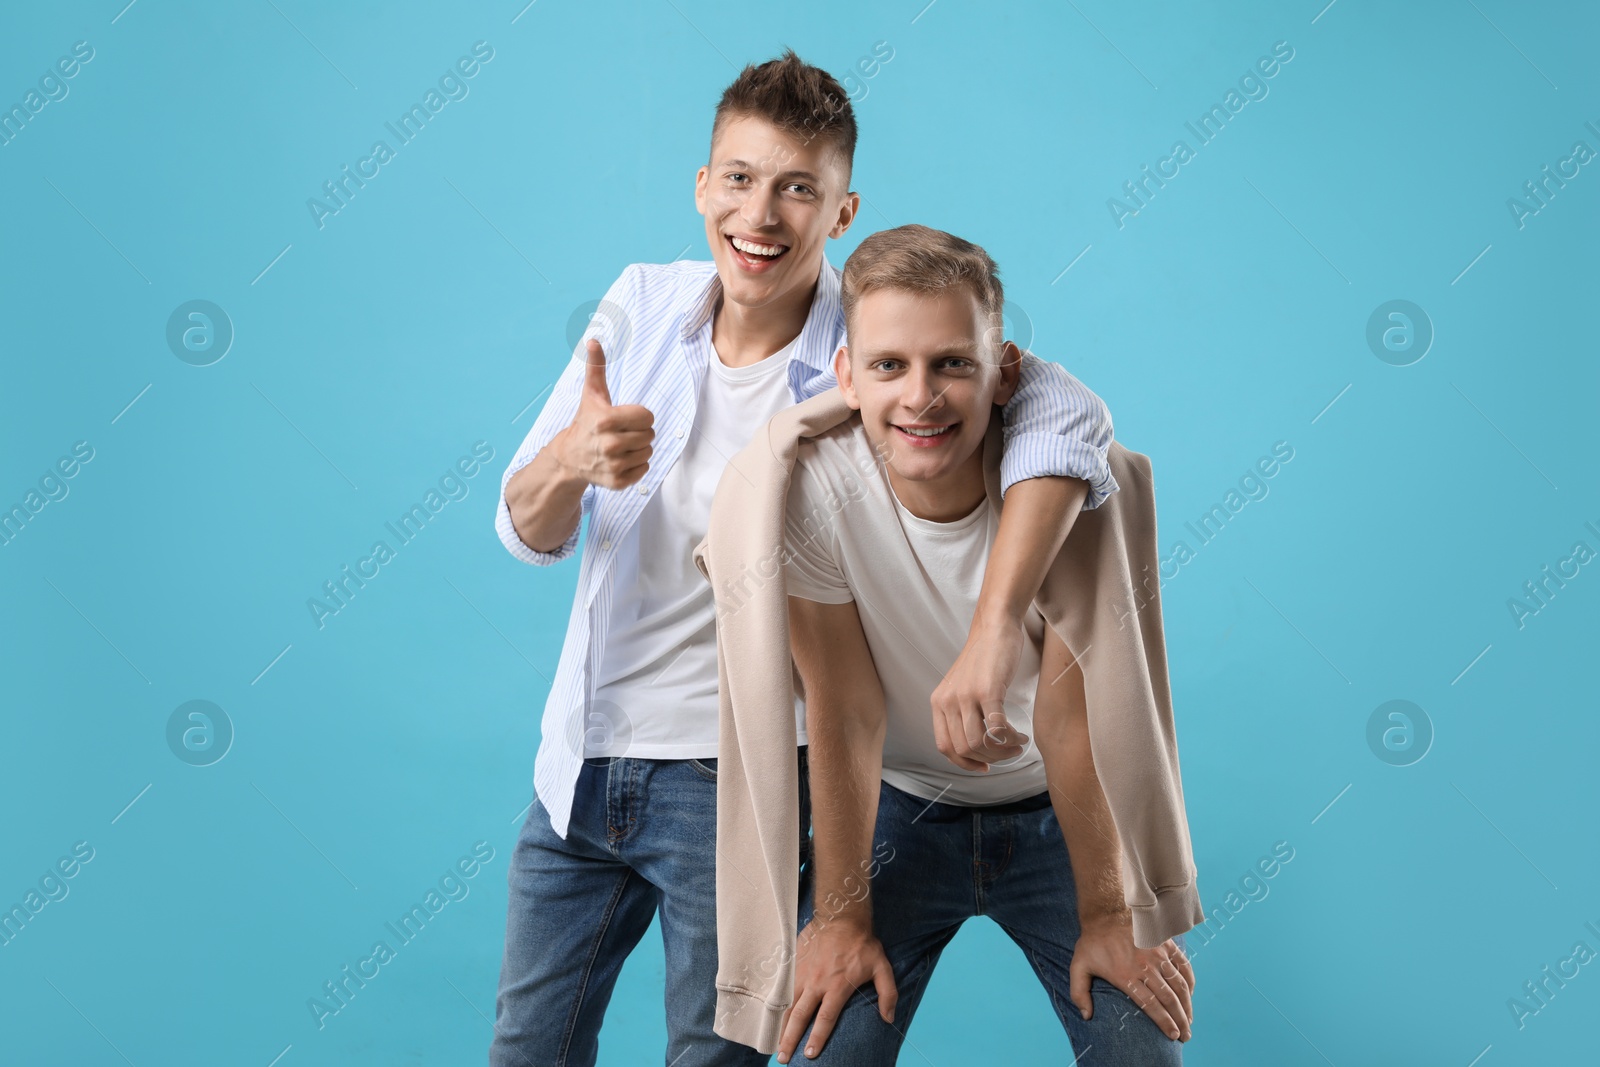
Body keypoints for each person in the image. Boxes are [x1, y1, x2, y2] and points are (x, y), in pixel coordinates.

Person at [489, 53, 1119, 1066]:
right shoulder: (641, 304)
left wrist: (998, 620)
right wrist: (573, 456)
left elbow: (1058, 406)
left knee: (715, 1053)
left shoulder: (866, 338)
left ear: (840, 210)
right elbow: (525, 526)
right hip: (581, 764)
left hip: (732, 786)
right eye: (739, 178)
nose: (762, 214)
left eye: (797, 188)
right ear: (701, 187)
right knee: (526, 1047)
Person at [739, 224, 1200, 1062]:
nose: (921, 396)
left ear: (1004, 373)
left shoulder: (1067, 490)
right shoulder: (810, 491)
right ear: (846, 375)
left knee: (1143, 1053)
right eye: (888, 365)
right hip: (898, 816)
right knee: (827, 1047)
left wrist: (1105, 910)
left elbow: (1069, 715)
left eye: (953, 362)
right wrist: (839, 917)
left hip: (1059, 817)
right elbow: (844, 710)